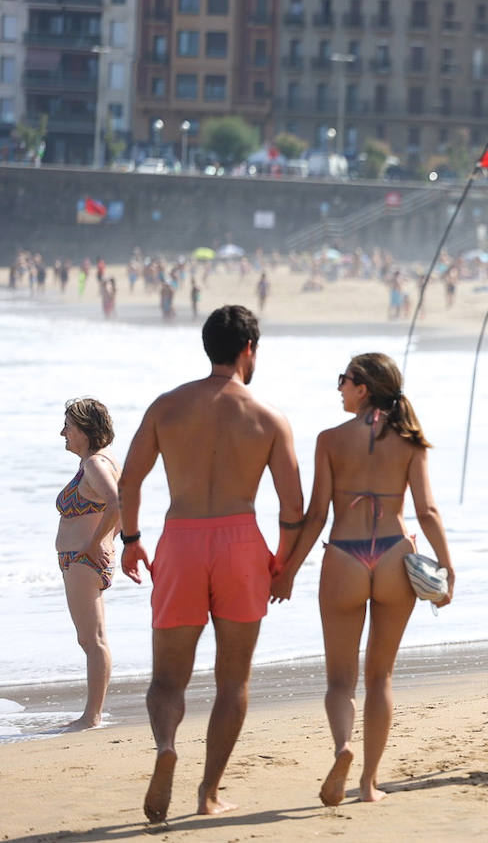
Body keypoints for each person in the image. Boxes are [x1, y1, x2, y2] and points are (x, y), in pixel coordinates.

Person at [118, 305, 305, 821]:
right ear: (249, 349)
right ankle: (209, 793)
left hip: (179, 543)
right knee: (233, 681)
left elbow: (128, 481)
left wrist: (131, 539)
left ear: (209, 346)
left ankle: (165, 747)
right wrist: (284, 564)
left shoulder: (167, 407)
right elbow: (293, 507)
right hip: (241, 546)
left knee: (167, 681)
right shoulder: (268, 417)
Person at [277, 353, 455, 805]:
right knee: (382, 678)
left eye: (345, 380)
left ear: (364, 388)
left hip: (345, 556)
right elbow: (427, 511)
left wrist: (289, 572)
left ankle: (343, 747)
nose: (338, 388)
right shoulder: (411, 440)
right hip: (396, 553)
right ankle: (369, 784)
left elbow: (317, 515)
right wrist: (447, 566)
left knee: (340, 681)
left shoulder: (329, 440)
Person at [55, 398, 122, 730]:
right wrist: (108, 542)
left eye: (68, 425)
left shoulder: (96, 463)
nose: (63, 432)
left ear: (85, 429)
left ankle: (91, 716)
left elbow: (119, 502)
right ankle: (91, 713)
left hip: (84, 560)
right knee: (90, 639)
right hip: (83, 559)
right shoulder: (98, 462)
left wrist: (96, 544)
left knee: (92, 640)